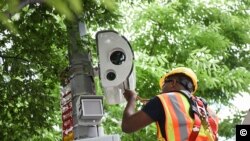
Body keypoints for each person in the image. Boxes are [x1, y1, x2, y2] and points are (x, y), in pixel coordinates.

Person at [122, 67, 219, 141]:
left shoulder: (164, 100)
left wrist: (131, 99)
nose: (161, 91)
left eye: (164, 85)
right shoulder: (209, 111)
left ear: (173, 83)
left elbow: (127, 126)